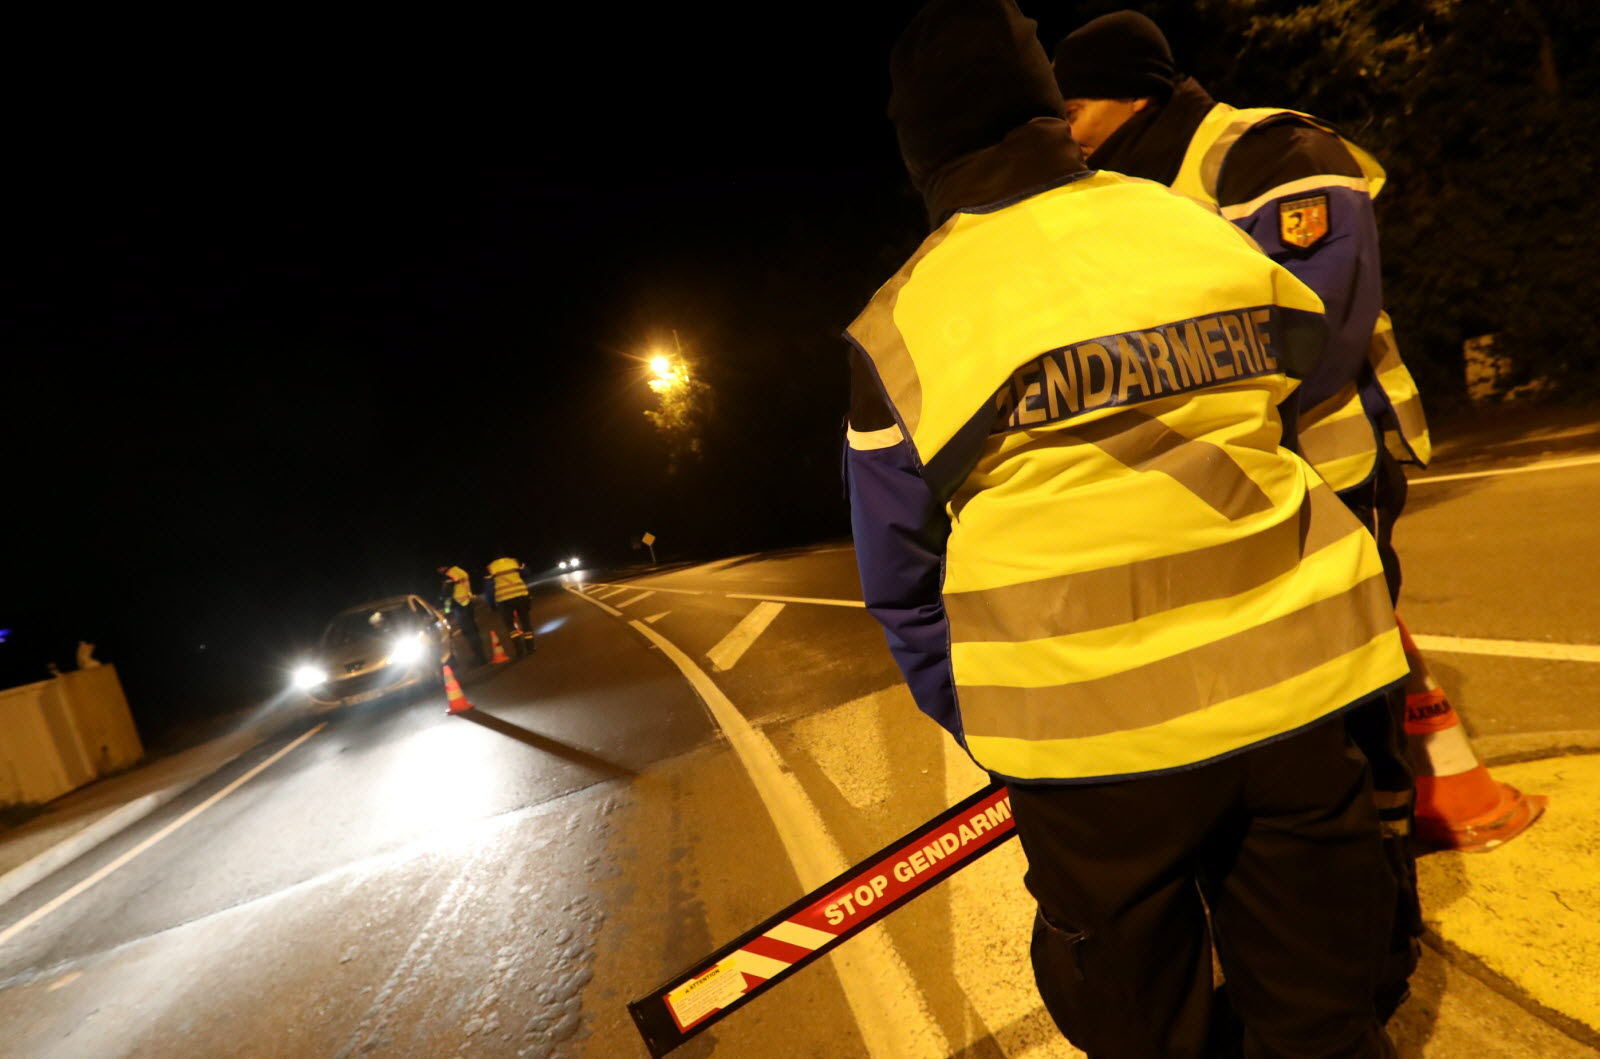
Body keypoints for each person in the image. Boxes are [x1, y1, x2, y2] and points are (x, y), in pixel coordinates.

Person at [846, 1, 1410, 1055]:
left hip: (1091, 758)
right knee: (1323, 1015)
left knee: (1142, 1022)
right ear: (1045, 109)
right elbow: (1314, 366)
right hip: (1295, 697)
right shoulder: (1191, 225)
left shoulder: (902, 323)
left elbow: (899, 582)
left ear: (919, 148)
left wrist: (1001, 724)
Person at [1051, 10, 1429, 1016]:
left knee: (1353, 701)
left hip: (1329, 475)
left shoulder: (1269, 151)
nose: (1063, 129)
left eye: (1074, 106)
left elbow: (1325, 321)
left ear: (1134, 93)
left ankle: (1388, 917)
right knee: (1282, 713)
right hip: (1224, 499)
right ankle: (1312, 917)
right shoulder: (1117, 197)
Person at [437, 565, 488, 667]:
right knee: (473, 630)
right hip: (467, 603)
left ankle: (480, 659)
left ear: (443, 567)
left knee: (469, 632)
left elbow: (447, 594)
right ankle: (481, 656)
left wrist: (442, 603)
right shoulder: (459, 571)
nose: (438, 571)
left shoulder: (449, 575)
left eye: (438, 568)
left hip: (459, 605)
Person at [485, 555, 535, 657]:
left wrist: (491, 604)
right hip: (521, 596)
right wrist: (523, 566)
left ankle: (519, 650)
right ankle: (530, 647)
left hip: (504, 600)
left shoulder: (491, 568)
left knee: (510, 625)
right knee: (525, 622)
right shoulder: (513, 562)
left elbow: (489, 589)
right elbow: (527, 573)